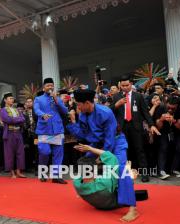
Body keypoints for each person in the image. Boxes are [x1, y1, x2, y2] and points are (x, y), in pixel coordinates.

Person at [67, 89, 138, 222]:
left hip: (116, 142)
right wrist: (72, 122)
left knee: (121, 170)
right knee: (85, 162)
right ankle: (93, 192)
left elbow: (109, 138)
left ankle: (132, 209)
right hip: (96, 143)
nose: (77, 107)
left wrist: (102, 156)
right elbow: (82, 135)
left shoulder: (105, 113)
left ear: (87, 102)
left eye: (79, 104)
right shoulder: (82, 115)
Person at [110, 74, 160, 182]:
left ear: (131, 84)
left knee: (140, 150)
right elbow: (111, 112)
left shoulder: (138, 96)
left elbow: (146, 113)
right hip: (122, 127)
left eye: (127, 85)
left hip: (136, 127)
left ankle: (144, 174)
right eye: (122, 86)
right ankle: (125, 174)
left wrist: (151, 125)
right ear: (120, 86)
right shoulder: (116, 97)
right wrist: (116, 105)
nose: (125, 87)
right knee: (124, 152)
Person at [73, 143, 139, 222]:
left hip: (96, 203)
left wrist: (96, 164)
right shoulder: (104, 182)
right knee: (122, 169)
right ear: (94, 171)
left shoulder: (76, 182)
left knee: (110, 170)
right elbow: (111, 157)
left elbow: (85, 170)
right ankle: (133, 211)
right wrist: (90, 149)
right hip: (113, 202)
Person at [34, 78, 68, 184]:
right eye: (48, 86)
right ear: (44, 88)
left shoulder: (57, 98)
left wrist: (57, 100)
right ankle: (43, 173)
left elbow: (65, 110)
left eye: (51, 85)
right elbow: (36, 109)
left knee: (58, 154)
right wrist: (42, 115)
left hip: (57, 129)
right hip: (44, 129)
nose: (50, 87)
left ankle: (56, 176)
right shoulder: (38, 99)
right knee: (45, 152)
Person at [0, 93, 26, 178]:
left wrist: (14, 120)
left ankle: (18, 171)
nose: (12, 100)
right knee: (9, 153)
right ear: (5, 100)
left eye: (12, 98)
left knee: (20, 152)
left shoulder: (17, 109)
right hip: (9, 133)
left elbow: (23, 119)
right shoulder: (3, 110)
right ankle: (12, 172)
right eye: (10, 98)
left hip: (18, 133)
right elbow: (7, 119)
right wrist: (17, 120)